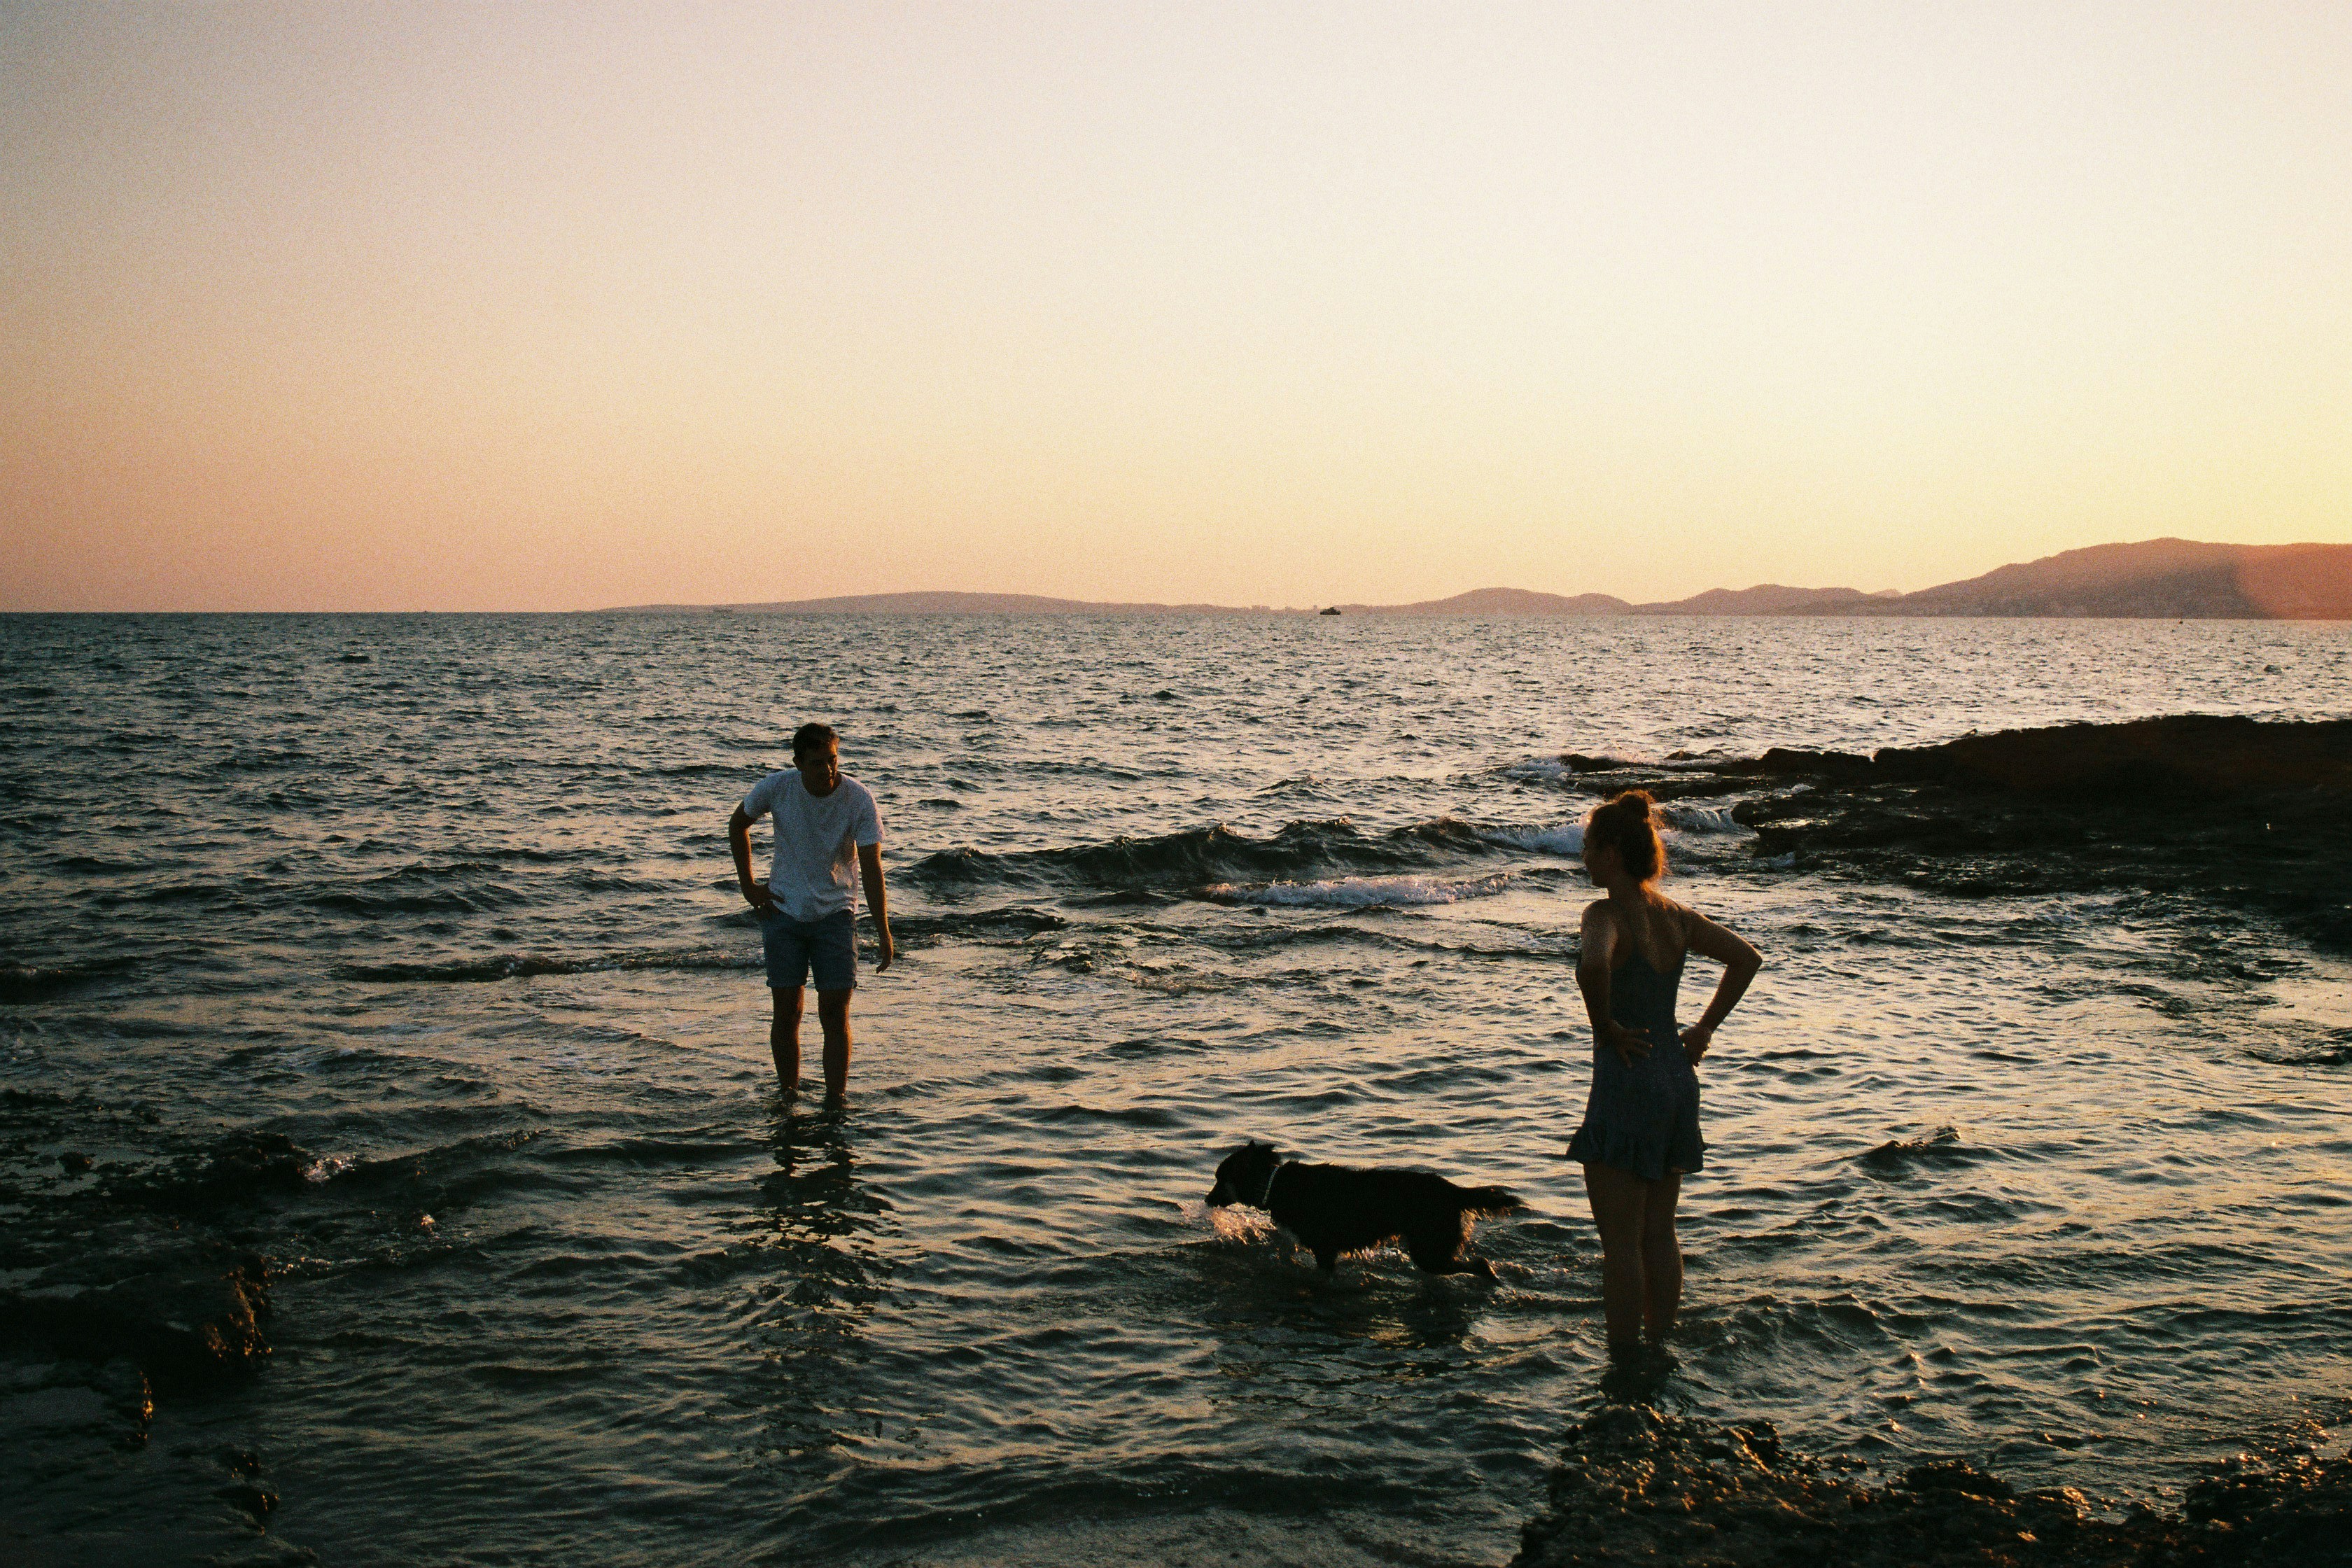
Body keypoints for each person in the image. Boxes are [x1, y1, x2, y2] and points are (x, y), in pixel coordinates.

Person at [1569, 788, 1760, 1357]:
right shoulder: (1675, 917)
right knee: (1660, 1232)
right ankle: (1659, 1343)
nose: (1581, 856)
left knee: (1620, 1244)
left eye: (1586, 846)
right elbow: (1746, 958)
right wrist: (1703, 1030)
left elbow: (1593, 965)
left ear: (1609, 854)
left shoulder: (1602, 914)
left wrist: (1605, 1027)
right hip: (1677, 1082)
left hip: (1627, 1080)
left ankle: (1624, 1361)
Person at [728, 723, 894, 1104]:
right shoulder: (776, 787)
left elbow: (872, 868)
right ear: (798, 763)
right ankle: (788, 1095)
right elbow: (738, 825)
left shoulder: (858, 799)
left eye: (833, 760)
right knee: (787, 1011)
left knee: (834, 1014)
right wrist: (748, 887)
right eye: (818, 763)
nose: (828, 770)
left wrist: (884, 931)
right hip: (783, 912)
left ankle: (836, 1100)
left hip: (836, 914)